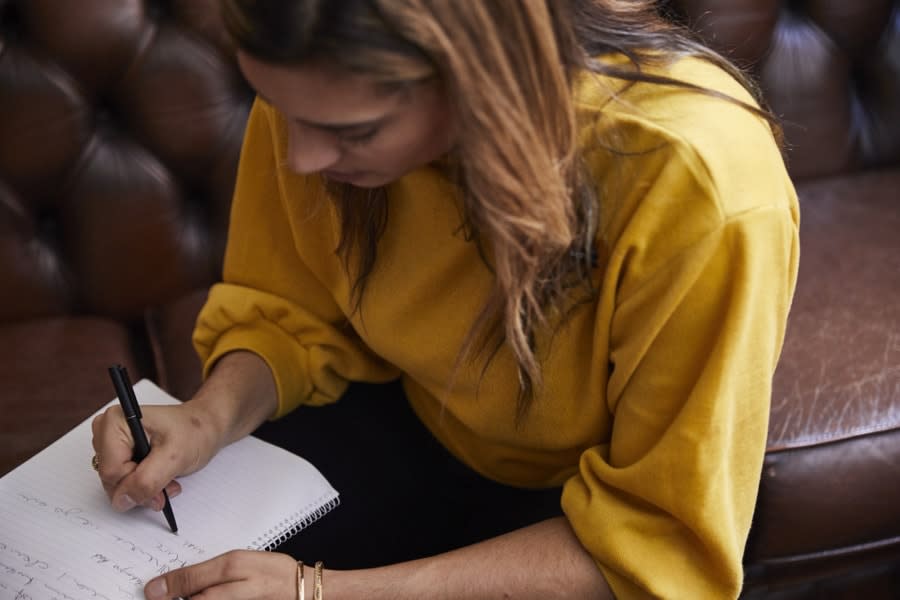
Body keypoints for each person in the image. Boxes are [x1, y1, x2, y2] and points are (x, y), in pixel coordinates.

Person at [91, 1, 799, 598]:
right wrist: (208, 417)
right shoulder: (318, 74)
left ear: (482, 82)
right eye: (278, 108)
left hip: (586, 508)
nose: (301, 159)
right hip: (409, 416)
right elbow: (290, 310)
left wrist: (323, 589)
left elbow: (656, 544)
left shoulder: (701, 185)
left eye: (353, 132)